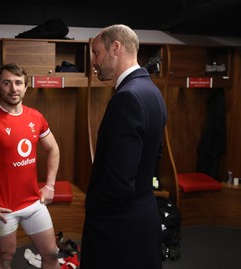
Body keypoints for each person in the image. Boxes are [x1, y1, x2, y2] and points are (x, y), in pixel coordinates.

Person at [80, 24, 167, 269]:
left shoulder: (127, 97)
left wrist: (94, 205)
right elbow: (154, 155)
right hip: (143, 215)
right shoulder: (152, 91)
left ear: (115, 48)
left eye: (96, 53)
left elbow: (119, 182)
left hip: (118, 226)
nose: (93, 61)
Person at [0, 63, 60, 269]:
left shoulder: (35, 116)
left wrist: (50, 186)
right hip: (3, 209)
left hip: (33, 203)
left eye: (18, 83)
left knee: (51, 253)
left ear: (26, 87)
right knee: (4, 259)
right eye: (7, 83)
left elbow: (53, 149)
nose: (13, 88)